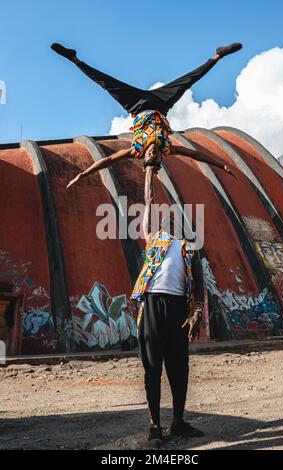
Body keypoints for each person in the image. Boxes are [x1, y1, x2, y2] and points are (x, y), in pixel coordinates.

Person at [50, 42, 242, 187]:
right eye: (155, 156)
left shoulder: (136, 150)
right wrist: (220, 165)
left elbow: (107, 161)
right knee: (188, 81)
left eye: (149, 155)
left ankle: (73, 58)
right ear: (160, 157)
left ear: (144, 156)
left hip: (135, 105)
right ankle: (219, 55)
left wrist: (83, 174)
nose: (152, 152)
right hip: (160, 104)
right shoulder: (167, 148)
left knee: (105, 83)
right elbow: (195, 154)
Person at [131, 164, 206, 445]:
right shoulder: (153, 242)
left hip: (178, 309)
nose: (170, 221)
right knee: (152, 367)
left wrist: (196, 313)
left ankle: (177, 421)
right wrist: (150, 168)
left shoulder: (189, 249)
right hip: (152, 305)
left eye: (175, 220)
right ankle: (155, 426)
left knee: (179, 367)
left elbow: (200, 284)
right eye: (166, 220)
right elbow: (148, 198)